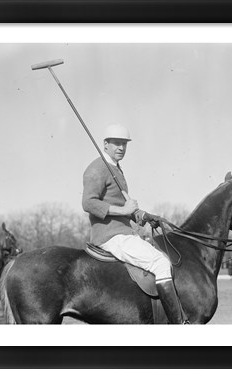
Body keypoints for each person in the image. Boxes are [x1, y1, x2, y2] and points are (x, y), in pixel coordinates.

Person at [82, 124, 189, 324]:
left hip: (124, 232)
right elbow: (88, 202)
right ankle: (178, 324)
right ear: (105, 144)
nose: (121, 148)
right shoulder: (97, 168)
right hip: (110, 236)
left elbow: (124, 206)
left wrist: (143, 216)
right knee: (161, 263)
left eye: (124, 144)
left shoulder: (115, 169)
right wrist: (124, 211)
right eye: (116, 143)